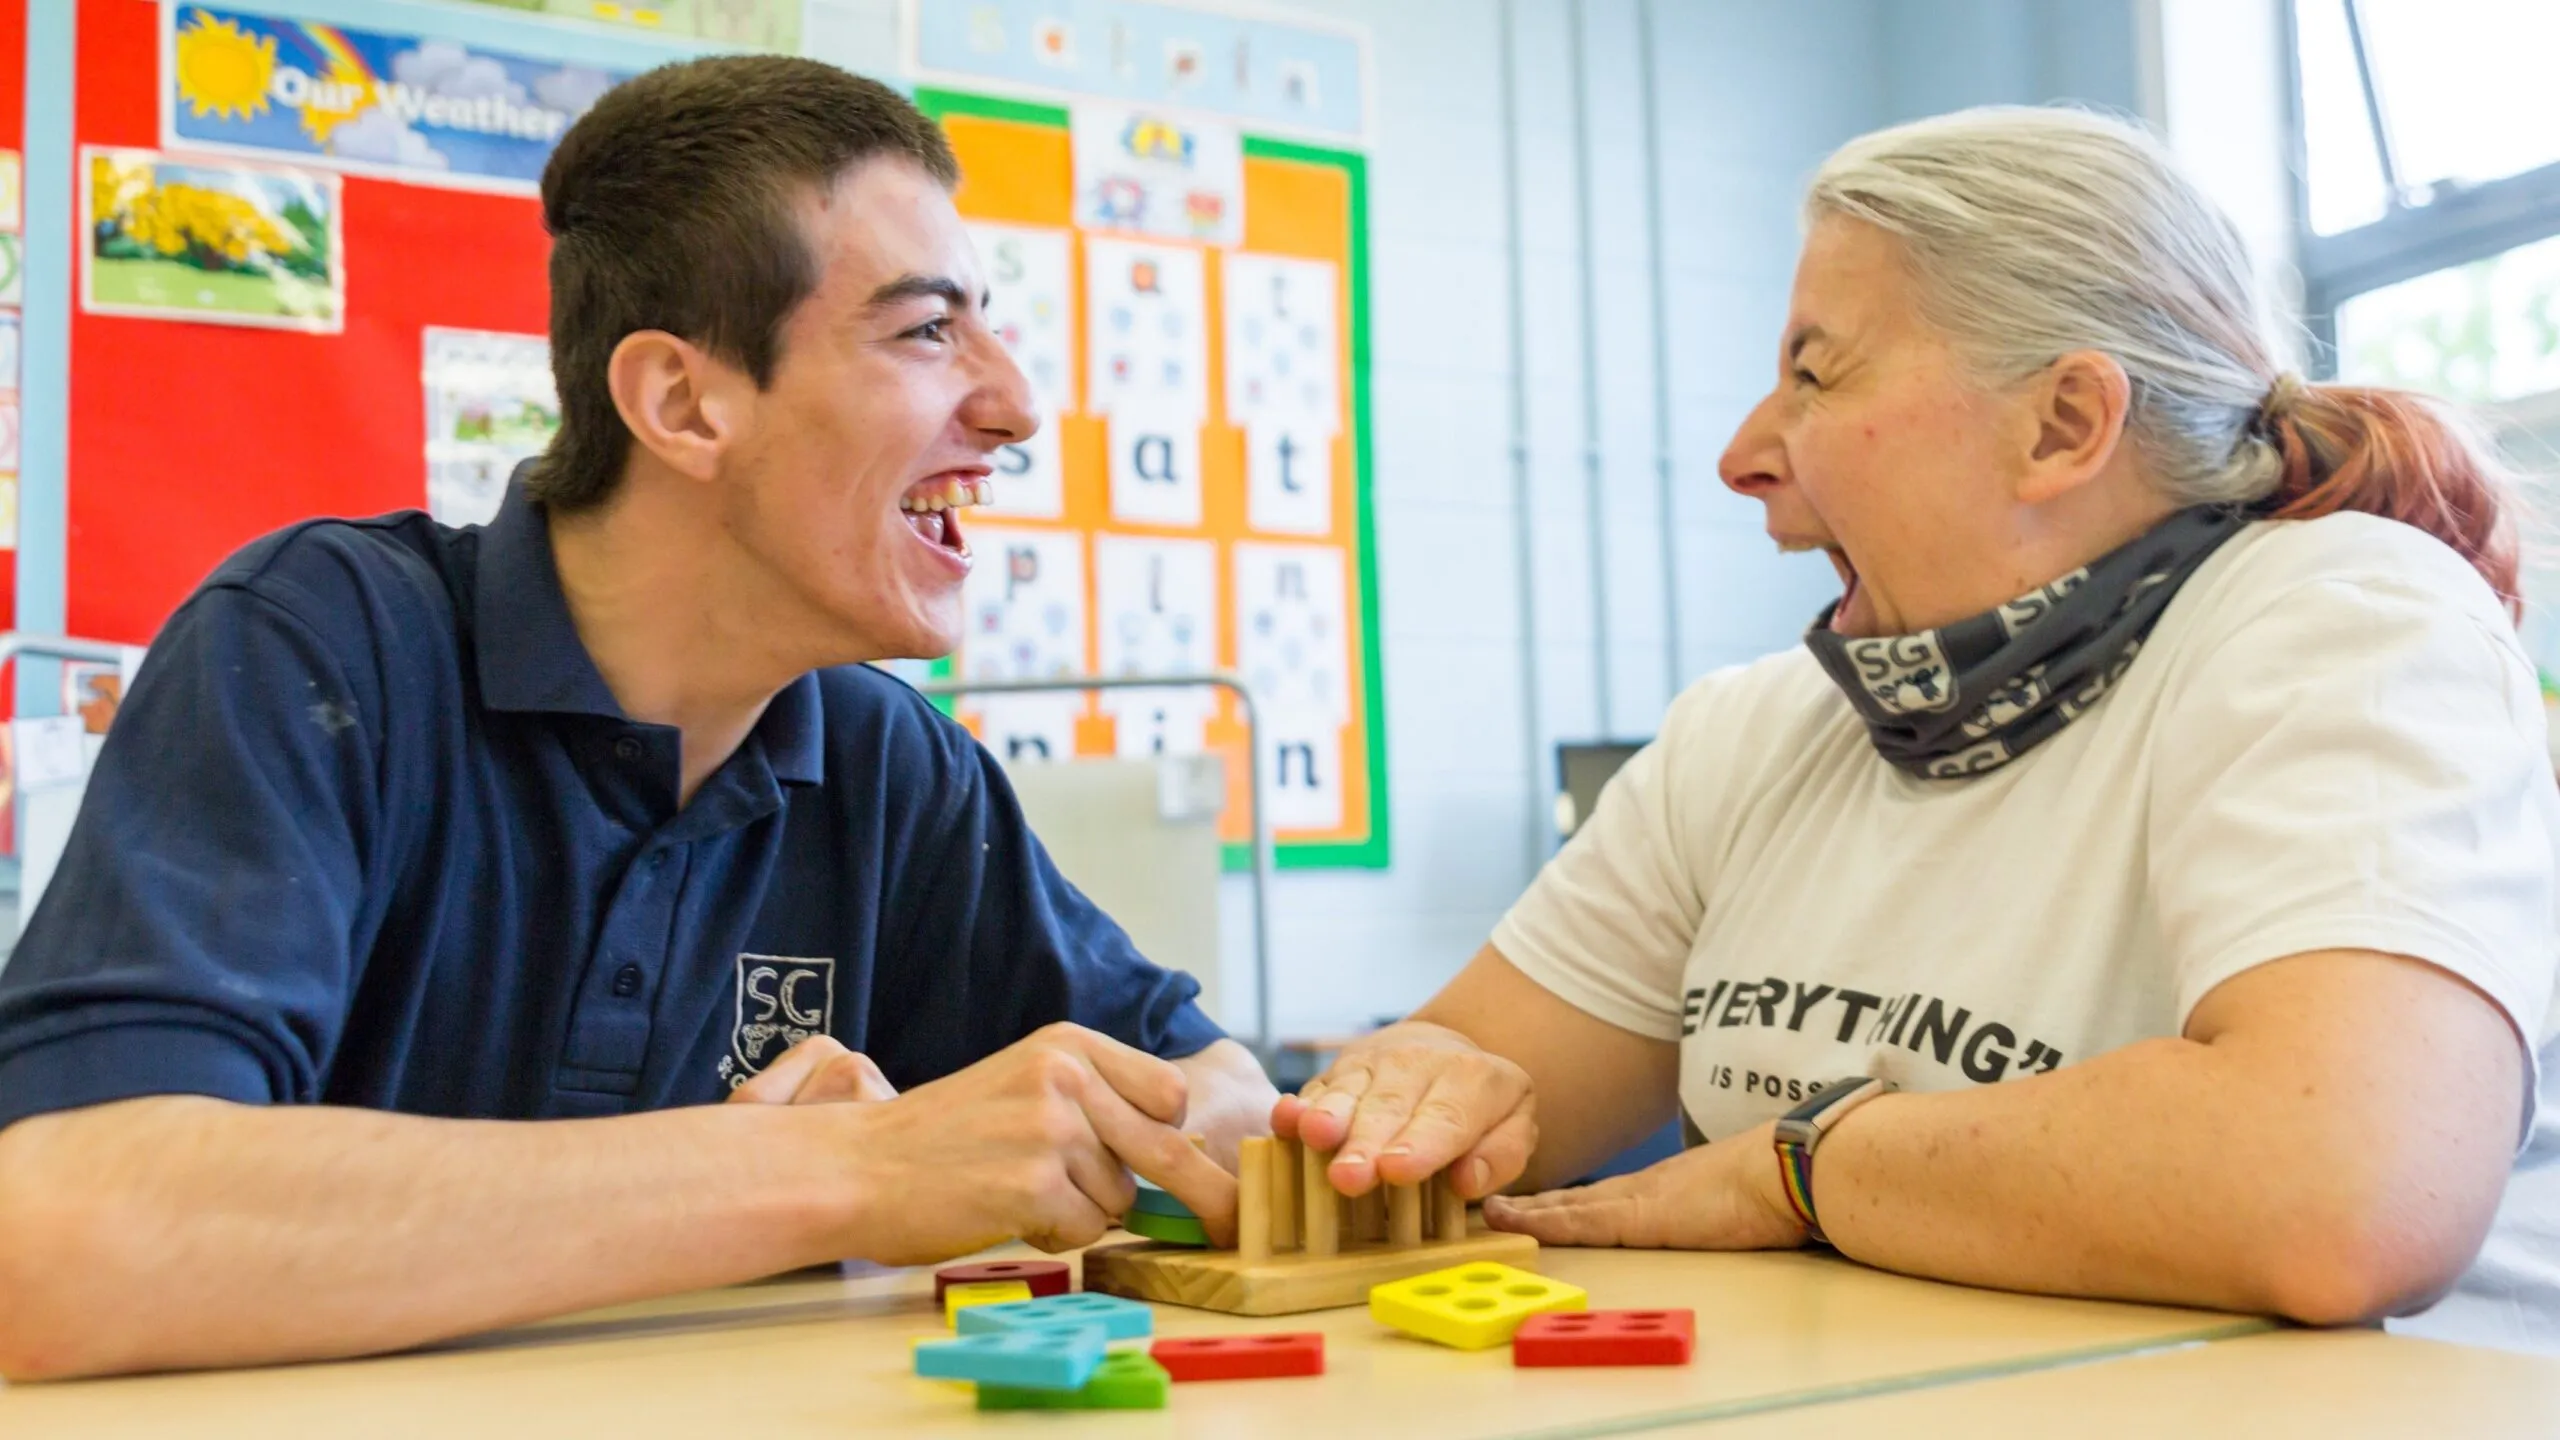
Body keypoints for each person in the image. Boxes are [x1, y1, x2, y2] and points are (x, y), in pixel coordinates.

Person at [0, 56, 1272, 1381]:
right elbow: (64, 1237)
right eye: (924, 332)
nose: (1014, 406)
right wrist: (837, 1173)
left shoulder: (891, 765)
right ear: (679, 403)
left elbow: (1221, 1099)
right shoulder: (317, 646)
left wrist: (1377, 1108)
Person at [1277, 105, 2560, 1354]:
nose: (1742, 455)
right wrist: (1369, 1102)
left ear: (2062, 425)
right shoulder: (1750, 733)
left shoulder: (2346, 621)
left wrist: (1794, 1171)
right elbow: (1466, 1080)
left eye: (1813, 374)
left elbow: (2338, 1188)